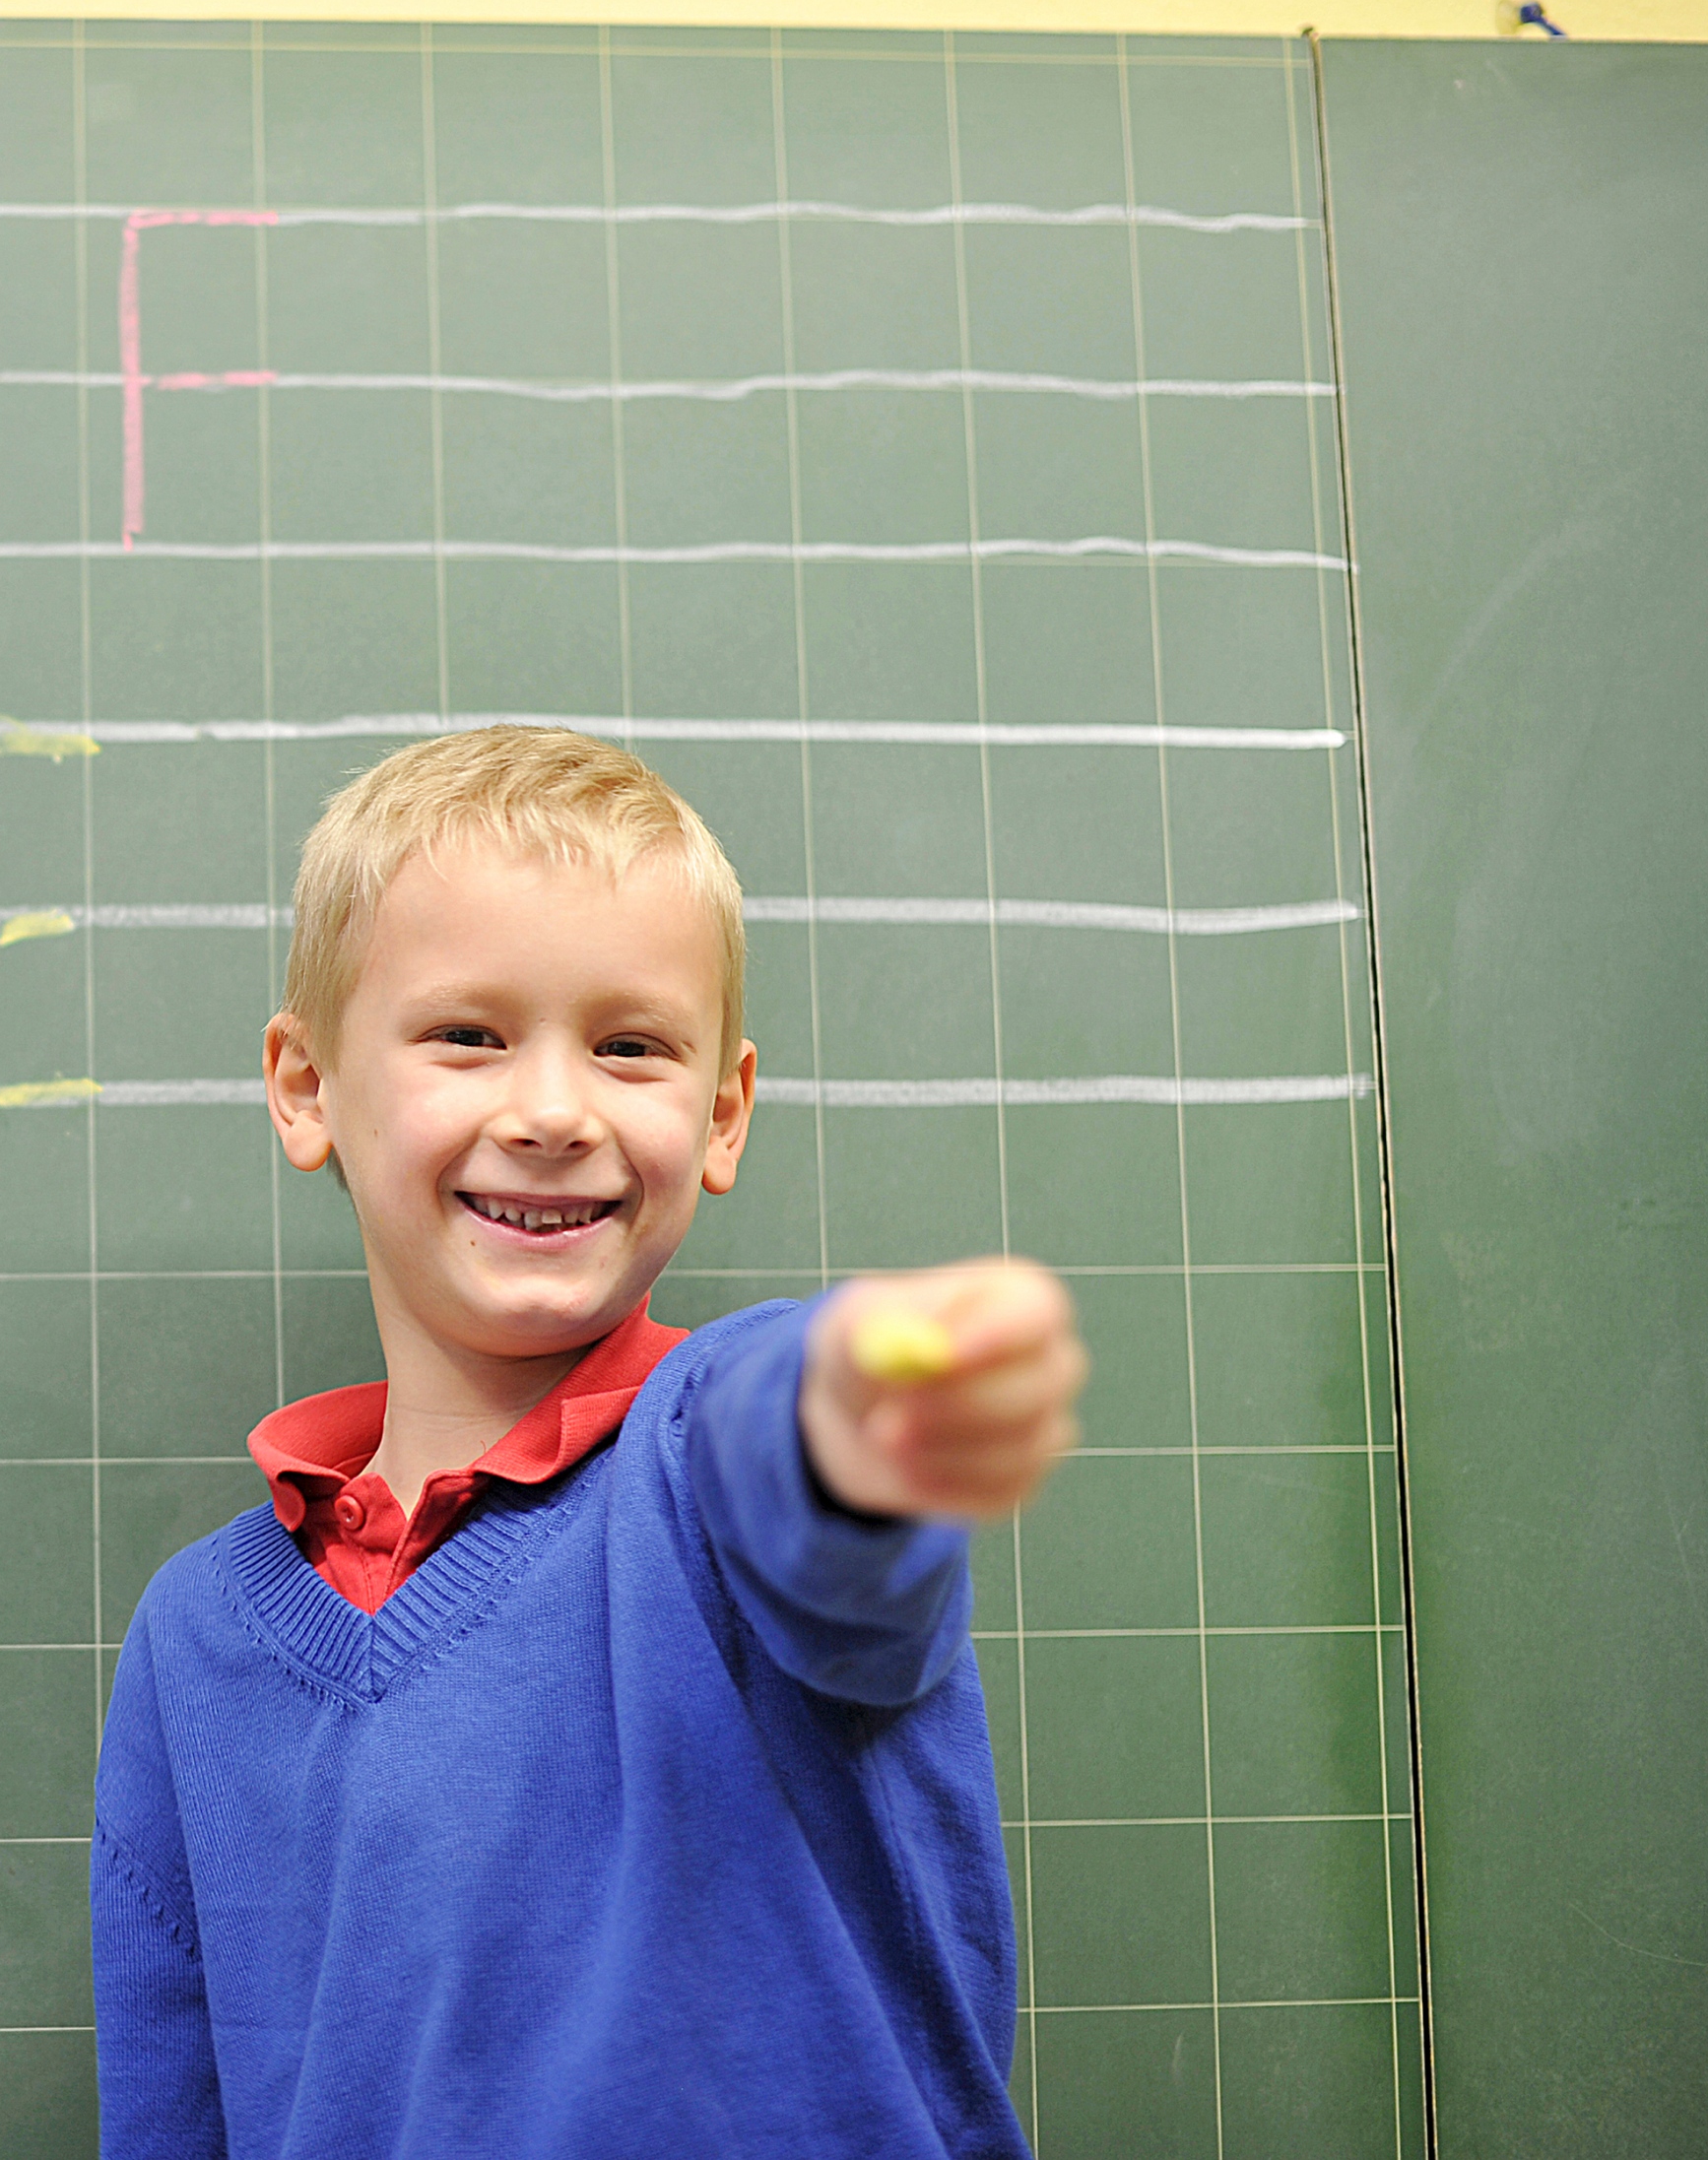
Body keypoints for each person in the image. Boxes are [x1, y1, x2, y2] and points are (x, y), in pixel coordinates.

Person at [90, 725, 1083, 2159]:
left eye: (631, 1047)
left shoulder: (710, 1463)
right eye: (468, 1036)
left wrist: (868, 1408)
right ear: (306, 1088)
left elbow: (794, 1449)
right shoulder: (196, 1643)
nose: (554, 1111)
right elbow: (170, 2110)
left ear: (723, 1112)